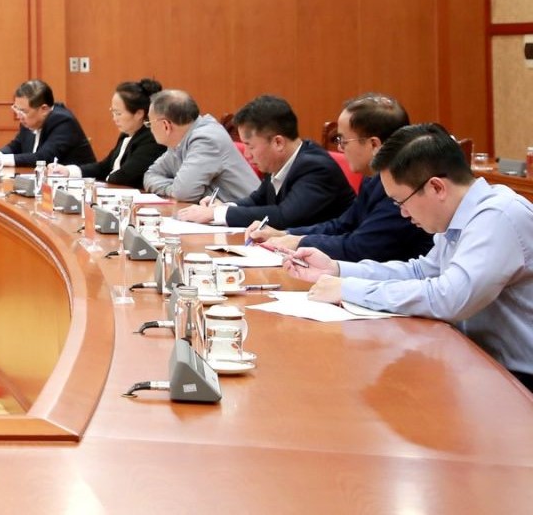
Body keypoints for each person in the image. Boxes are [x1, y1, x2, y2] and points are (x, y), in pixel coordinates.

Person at [287, 123, 533, 392]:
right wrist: (337, 270)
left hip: (519, 380)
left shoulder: (497, 217)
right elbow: (420, 272)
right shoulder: (459, 215)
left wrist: (348, 289)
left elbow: (449, 298)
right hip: (480, 365)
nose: (403, 214)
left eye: (401, 201)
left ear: (436, 187)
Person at [251, 94, 433, 262]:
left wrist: (299, 242)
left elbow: (362, 248)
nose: (339, 148)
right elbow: (342, 225)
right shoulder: (373, 178)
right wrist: (286, 234)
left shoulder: (404, 185)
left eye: (343, 140)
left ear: (373, 144)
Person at [176, 94, 354, 228]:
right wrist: (223, 207)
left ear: (278, 142)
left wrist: (217, 214)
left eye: (250, 146)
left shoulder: (316, 167)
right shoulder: (280, 161)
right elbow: (257, 199)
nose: (247, 154)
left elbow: (284, 216)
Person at [45, 78, 167, 187]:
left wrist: (102, 182)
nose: (114, 118)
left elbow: (126, 175)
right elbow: (104, 167)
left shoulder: (152, 139)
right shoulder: (126, 135)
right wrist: (68, 171)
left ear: (139, 114)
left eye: (118, 113)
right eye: (112, 112)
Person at [142, 89, 257, 202]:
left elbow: (183, 193)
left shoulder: (206, 139)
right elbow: (150, 175)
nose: (150, 128)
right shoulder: (179, 142)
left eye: (149, 123)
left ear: (166, 125)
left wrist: (175, 190)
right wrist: (172, 189)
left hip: (245, 212)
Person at [0, 80, 94, 168]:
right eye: (16, 109)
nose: (19, 116)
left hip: (79, 180)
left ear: (44, 109)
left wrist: (2, 160)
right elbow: (16, 146)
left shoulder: (63, 121)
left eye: (23, 111)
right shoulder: (28, 121)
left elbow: (43, 158)